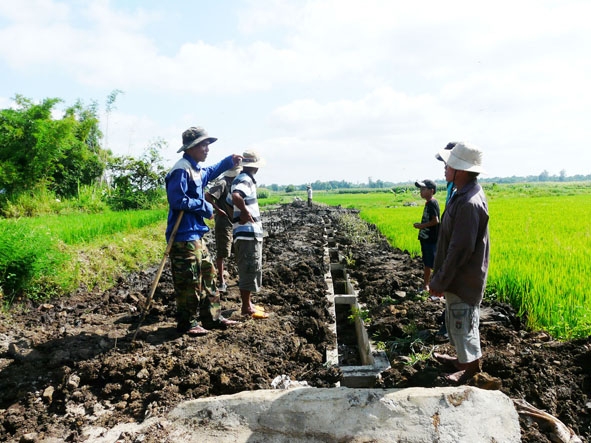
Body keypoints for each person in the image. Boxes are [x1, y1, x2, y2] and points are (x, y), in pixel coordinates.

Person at [165, 126, 242, 336]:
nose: (207, 149)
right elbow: (177, 200)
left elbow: (210, 172)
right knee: (189, 280)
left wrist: (228, 162)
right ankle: (187, 323)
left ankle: (212, 317)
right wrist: (205, 207)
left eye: (208, 144)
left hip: (196, 234)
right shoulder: (181, 169)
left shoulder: (196, 168)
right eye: (203, 145)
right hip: (183, 236)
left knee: (209, 275)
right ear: (191, 147)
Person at [429, 141, 490, 384]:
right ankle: (461, 360)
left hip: (463, 277)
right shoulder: (462, 193)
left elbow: (460, 249)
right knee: (456, 318)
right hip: (457, 275)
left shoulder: (468, 202)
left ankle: (470, 369)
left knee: (463, 322)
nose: (445, 169)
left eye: (449, 164)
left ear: (461, 170)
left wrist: (440, 279)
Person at [230, 150, 269, 319]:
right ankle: (246, 307)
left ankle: (249, 303)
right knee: (249, 267)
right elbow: (236, 196)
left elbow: (229, 201)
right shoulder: (244, 179)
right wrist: (244, 213)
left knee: (251, 266)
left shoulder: (242, 178)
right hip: (247, 233)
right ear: (256, 167)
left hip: (247, 233)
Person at [205, 164, 242, 294]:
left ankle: (241, 278)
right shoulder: (223, 182)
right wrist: (218, 209)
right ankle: (222, 282)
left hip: (235, 221)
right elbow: (208, 196)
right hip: (224, 222)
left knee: (238, 250)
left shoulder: (237, 182)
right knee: (222, 252)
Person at [413, 179, 440, 291]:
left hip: (430, 238)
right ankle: (428, 285)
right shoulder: (429, 203)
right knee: (427, 262)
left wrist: (422, 226)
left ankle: (428, 286)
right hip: (426, 238)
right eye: (420, 189)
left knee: (430, 262)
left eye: (424, 189)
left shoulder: (432, 203)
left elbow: (436, 221)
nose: (421, 191)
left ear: (431, 191)